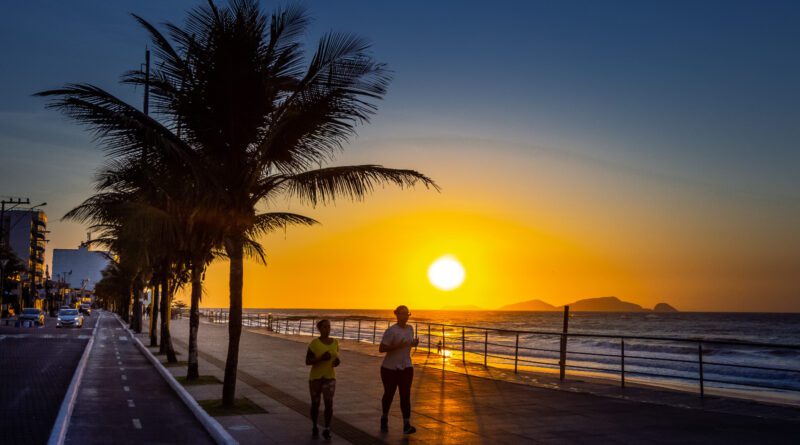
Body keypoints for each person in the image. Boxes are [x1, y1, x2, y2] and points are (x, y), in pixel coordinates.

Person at [378, 305, 419, 434]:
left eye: (407, 314)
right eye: (403, 313)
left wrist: (413, 344)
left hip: (406, 367)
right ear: (397, 314)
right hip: (389, 368)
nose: (406, 316)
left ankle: (406, 424)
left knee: (405, 395)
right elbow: (381, 349)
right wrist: (398, 346)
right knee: (389, 394)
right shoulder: (391, 331)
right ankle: (384, 417)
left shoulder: (410, 329)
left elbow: (407, 345)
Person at [306, 319, 340, 439]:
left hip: (330, 377)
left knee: (329, 404)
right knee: (315, 403)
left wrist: (337, 362)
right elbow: (307, 361)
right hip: (315, 378)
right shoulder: (314, 343)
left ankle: (327, 428)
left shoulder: (335, 342)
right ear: (319, 329)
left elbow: (336, 358)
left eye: (329, 326)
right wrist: (320, 358)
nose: (328, 329)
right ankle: (315, 426)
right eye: (325, 327)